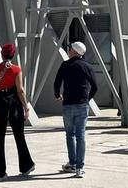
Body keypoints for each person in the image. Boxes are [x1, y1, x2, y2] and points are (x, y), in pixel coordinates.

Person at [0, 43, 35, 180]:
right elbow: (20, 90)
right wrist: (26, 107)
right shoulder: (16, 69)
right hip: (13, 104)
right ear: (13, 55)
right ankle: (26, 166)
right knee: (19, 136)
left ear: (1, 54)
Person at [53, 41, 97, 178]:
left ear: (75, 52)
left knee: (69, 134)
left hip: (68, 104)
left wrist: (57, 95)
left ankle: (72, 163)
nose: (69, 50)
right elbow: (95, 86)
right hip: (82, 105)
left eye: (70, 49)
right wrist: (87, 98)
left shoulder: (65, 65)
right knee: (81, 135)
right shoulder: (87, 66)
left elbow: (57, 82)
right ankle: (79, 168)